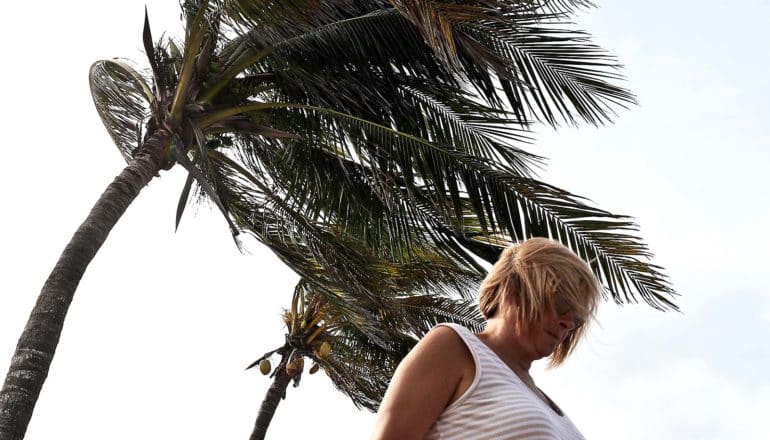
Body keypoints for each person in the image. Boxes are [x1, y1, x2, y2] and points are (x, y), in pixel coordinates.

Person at [370, 237, 601, 440]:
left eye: (576, 317)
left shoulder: (555, 413)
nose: (568, 324)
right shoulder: (455, 346)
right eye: (561, 304)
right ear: (512, 291)